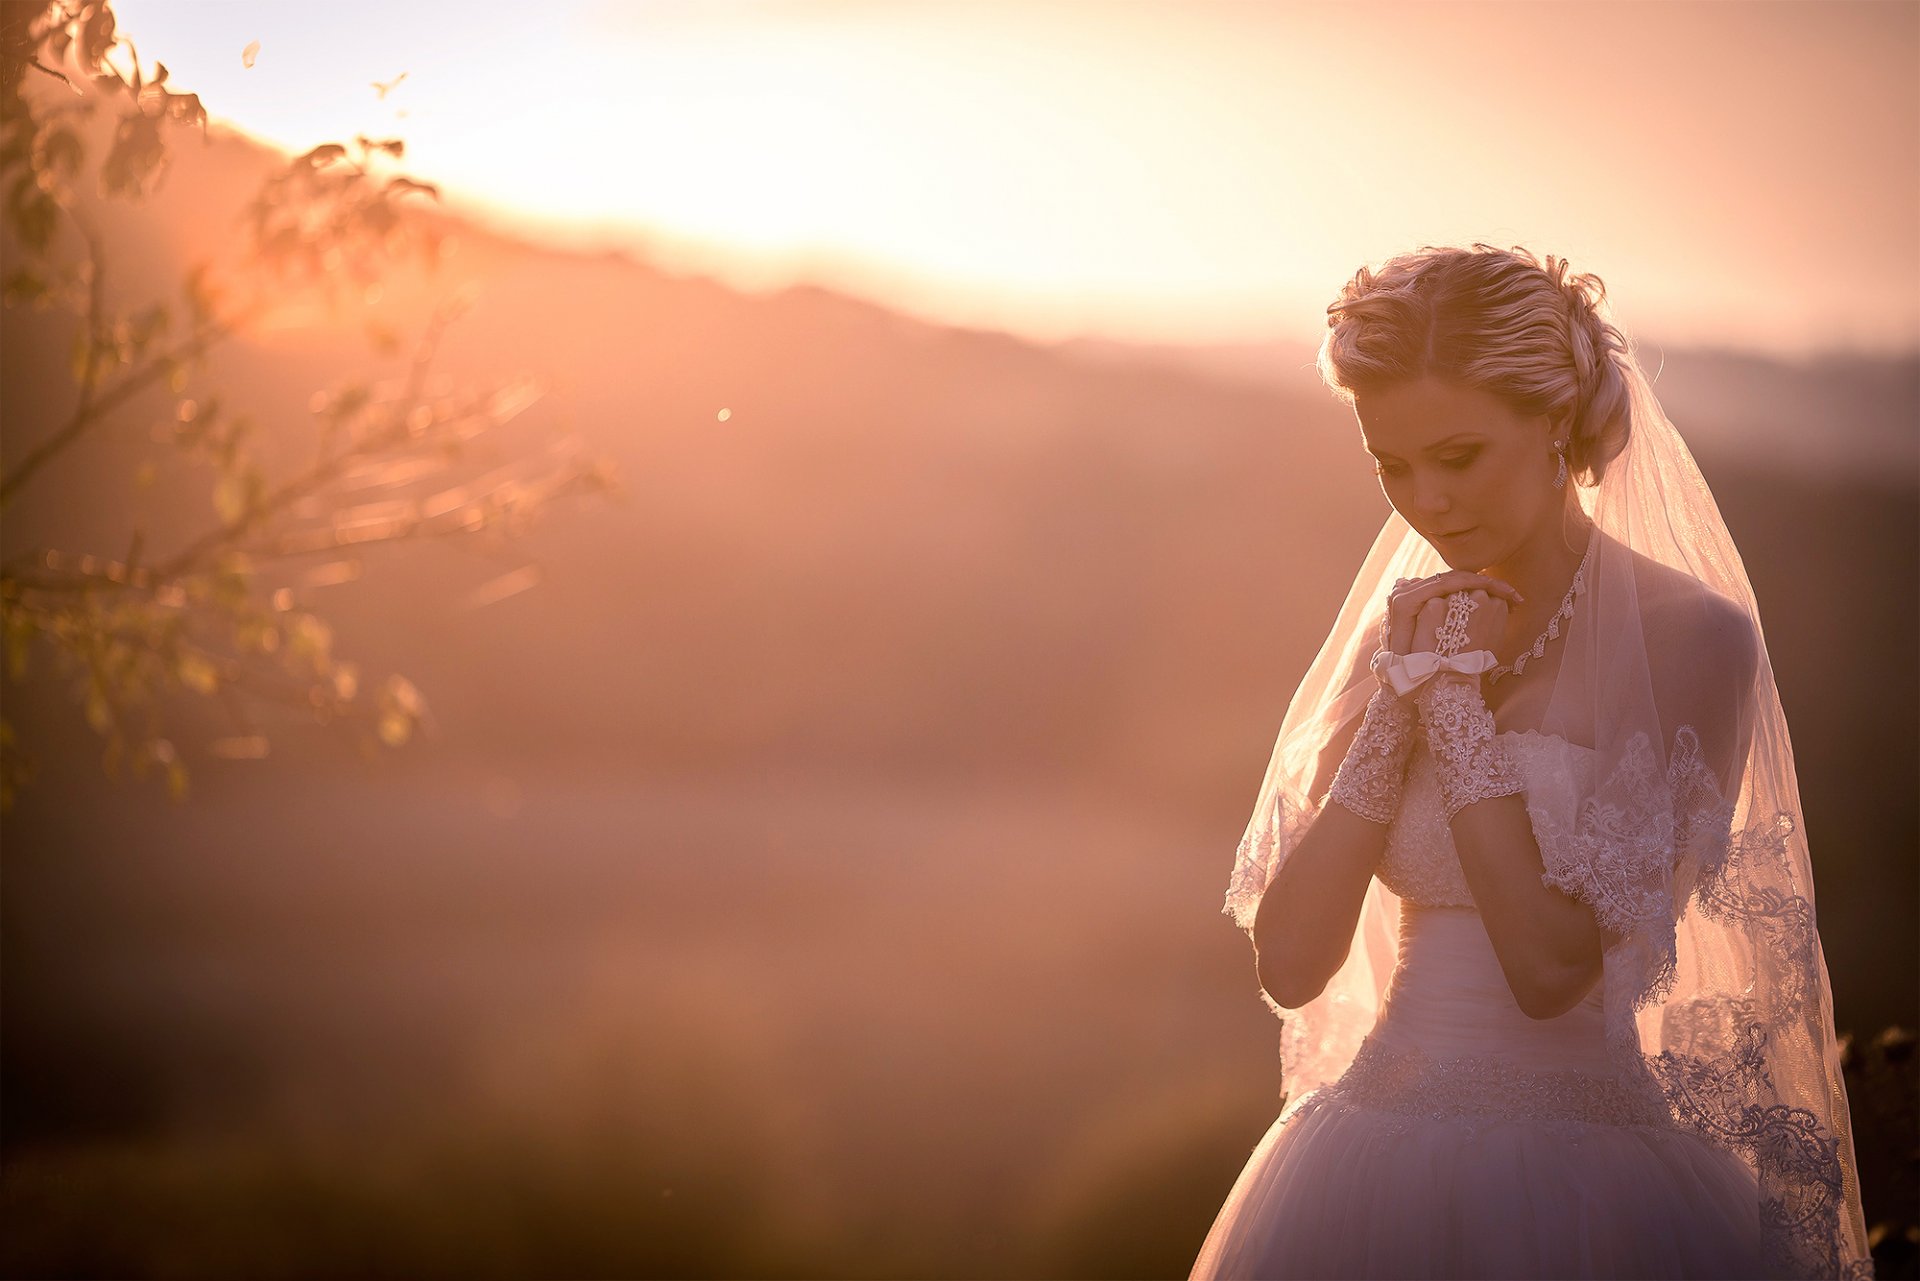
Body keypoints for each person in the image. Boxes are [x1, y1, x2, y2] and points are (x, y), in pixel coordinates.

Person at [1189, 244, 1873, 1280]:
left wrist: (1456, 709)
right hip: (1360, 1164)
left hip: (1590, 1179)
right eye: (1393, 465)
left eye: (1458, 456)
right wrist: (1396, 705)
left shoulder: (1694, 641)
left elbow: (1553, 968)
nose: (1428, 500)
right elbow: (1290, 962)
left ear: (1556, 425)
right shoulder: (1400, 636)